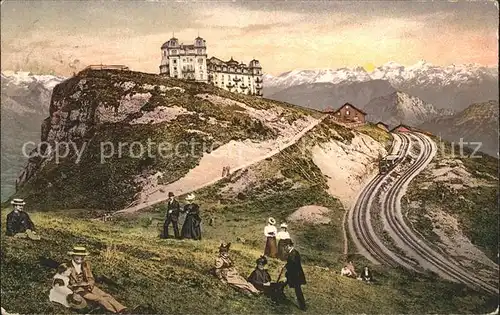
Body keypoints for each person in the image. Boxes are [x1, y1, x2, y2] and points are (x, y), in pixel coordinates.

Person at [66, 246, 127, 313]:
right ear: (72, 256)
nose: (80, 258)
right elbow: (66, 282)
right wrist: (76, 286)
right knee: (99, 298)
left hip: (88, 286)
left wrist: (90, 284)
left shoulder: (85, 264)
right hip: (78, 290)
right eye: (77, 256)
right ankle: (113, 311)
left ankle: (121, 309)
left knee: (106, 295)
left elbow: (91, 278)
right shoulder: (67, 266)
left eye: (82, 256)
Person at [283, 242, 306, 311]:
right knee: (284, 284)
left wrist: (286, 267)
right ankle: (279, 295)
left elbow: (292, 264)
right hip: (294, 274)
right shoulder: (294, 252)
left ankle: (303, 306)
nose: (285, 249)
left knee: (298, 290)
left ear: (289, 246)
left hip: (295, 275)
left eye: (285, 247)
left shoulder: (293, 253)